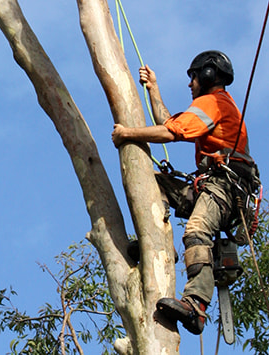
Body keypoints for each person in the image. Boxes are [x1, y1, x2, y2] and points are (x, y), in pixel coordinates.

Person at [111, 50, 259, 335]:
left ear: (206, 75)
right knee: (152, 180)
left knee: (197, 230)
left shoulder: (215, 102)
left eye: (193, 77)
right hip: (208, 185)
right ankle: (153, 240)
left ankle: (196, 307)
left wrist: (127, 133)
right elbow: (170, 123)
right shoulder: (209, 106)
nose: (190, 84)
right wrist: (153, 89)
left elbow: (171, 134)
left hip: (225, 188)